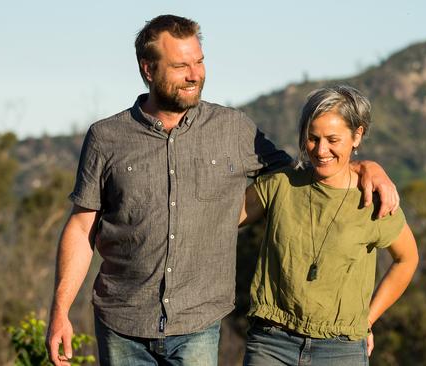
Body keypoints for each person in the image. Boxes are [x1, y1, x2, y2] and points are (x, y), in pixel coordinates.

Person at [45, 15, 400, 366]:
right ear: (148, 70)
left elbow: (308, 167)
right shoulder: (106, 137)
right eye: (181, 65)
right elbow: (80, 228)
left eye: (199, 61)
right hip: (122, 323)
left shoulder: (234, 129)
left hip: (198, 324)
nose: (194, 74)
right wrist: (60, 312)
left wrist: (364, 165)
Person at [239, 85, 419, 365]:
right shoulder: (281, 185)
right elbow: (220, 220)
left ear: (356, 135)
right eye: (313, 138)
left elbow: (407, 259)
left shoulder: (373, 198)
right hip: (272, 344)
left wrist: (368, 319)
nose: (321, 150)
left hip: (341, 350)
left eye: (332, 139)